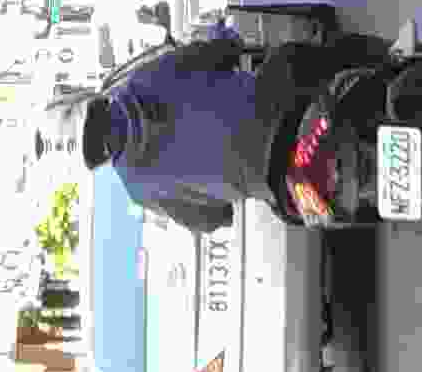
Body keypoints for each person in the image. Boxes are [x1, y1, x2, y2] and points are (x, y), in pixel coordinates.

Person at [71, 24, 311, 239]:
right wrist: (224, 39)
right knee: (290, 56)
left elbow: (209, 219)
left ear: (105, 159)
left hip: (273, 180)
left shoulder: (138, 189)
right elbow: (219, 53)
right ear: (104, 106)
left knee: (296, 212)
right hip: (279, 107)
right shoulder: (142, 81)